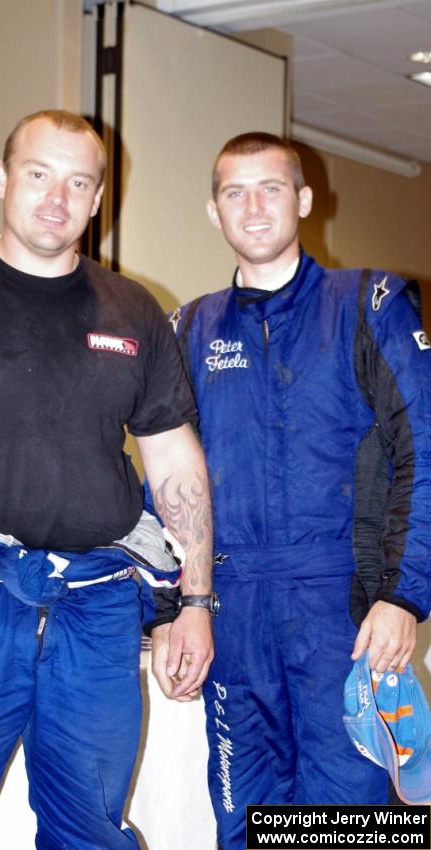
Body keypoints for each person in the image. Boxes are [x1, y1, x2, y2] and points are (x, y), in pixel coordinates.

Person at [0, 109, 214, 850]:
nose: (56, 197)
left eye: (78, 182)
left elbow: (176, 464)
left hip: (96, 602)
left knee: (90, 826)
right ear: (0, 178)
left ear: (96, 201)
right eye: (37, 174)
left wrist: (194, 601)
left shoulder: (133, 311)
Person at [162, 132, 431, 849]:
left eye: (270, 188)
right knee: (247, 821)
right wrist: (167, 606)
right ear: (213, 211)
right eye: (233, 192)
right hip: (231, 609)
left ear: (305, 200)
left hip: (341, 612)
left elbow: (424, 453)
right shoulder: (186, 330)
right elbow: (161, 482)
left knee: (339, 826)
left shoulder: (368, 304)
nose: (252, 207)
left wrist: (403, 594)